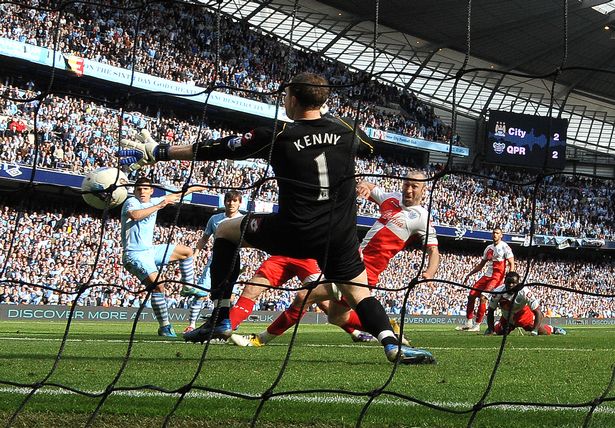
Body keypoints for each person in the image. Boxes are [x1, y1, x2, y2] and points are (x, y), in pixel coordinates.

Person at [118, 72, 434, 364]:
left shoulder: (278, 134)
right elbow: (366, 144)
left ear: (293, 99)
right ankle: (393, 345)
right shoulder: (347, 129)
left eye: (285, 97)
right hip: (339, 235)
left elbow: (218, 148)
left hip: (293, 230)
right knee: (358, 292)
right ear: (323, 101)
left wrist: (161, 151)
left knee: (225, 231)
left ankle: (221, 317)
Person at [232, 172, 439, 347]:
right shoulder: (391, 199)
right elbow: (367, 185)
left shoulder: (421, 217)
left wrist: (429, 273)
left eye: (414, 186)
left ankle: (259, 339)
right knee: (336, 317)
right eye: (406, 184)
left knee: (304, 296)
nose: (409, 190)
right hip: (351, 262)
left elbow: (433, 251)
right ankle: (387, 328)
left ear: (424, 190)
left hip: (365, 271)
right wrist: (363, 187)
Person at [225, 255, 382, 345]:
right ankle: (224, 329)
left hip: (309, 257)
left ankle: (380, 329)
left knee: (315, 300)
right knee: (252, 287)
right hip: (282, 253)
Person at [120, 176, 204, 337]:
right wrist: (159, 205)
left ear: (151, 191)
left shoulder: (156, 200)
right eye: (139, 189)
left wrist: (195, 188)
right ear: (135, 191)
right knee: (158, 287)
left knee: (187, 252)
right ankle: (165, 326)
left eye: (145, 189)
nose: (142, 191)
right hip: (134, 254)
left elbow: (178, 195)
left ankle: (187, 287)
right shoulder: (131, 203)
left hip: (150, 251)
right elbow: (135, 215)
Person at [182, 190, 243, 334]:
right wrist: (196, 254)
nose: (231, 203)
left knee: (230, 295)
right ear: (224, 202)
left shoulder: (243, 219)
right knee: (202, 292)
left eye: (235, 201)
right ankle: (191, 324)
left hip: (234, 259)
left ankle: (226, 321)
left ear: (240, 203)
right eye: (229, 200)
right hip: (215, 259)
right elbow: (205, 238)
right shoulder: (215, 219)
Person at [456, 227, 514, 332]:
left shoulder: (505, 247)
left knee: (483, 297)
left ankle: (477, 325)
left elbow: (511, 263)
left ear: (501, 235)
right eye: (493, 233)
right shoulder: (488, 248)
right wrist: (469, 274)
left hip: (497, 277)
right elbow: (481, 265)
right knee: (471, 295)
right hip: (487, 276)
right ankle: (468, 322)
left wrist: (509, 278)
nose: (495, 235)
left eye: (497, 233)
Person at [485, 271, 566, 336]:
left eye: (513, 283)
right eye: (508, 282)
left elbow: (538, 311)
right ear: (504, 282)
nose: (510, 285)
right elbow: (491, 310)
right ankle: (496, 325)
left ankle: (553, 329)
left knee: (543, 332)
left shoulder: (525, 292)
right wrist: (491, 330)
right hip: (507, 319)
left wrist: (535, 330)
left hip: (524, 317)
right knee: (500, 332)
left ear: (518, 283)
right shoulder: (498, 292)